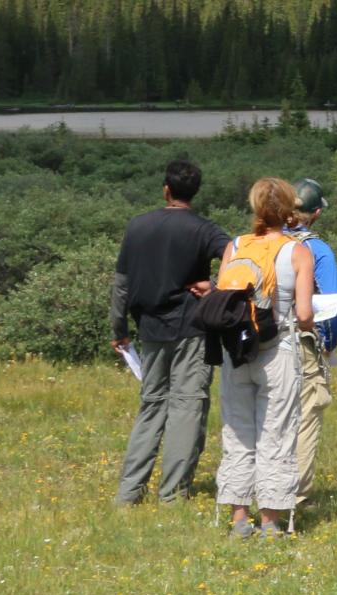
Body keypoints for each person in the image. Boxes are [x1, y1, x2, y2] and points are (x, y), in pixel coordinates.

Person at [111, 159, 230, 505]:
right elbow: (240, 257)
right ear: (195, 192)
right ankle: (173, 494)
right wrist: (216, 287)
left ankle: (129, 492)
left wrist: (119, 329)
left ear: (166, 189)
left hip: (149, 329)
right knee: (187, 407)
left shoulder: (137, 226)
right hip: (192, 329)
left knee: (151, 405)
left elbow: (121, 285)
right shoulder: (204, 229)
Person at [214, 177, 317, 538]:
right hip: (278, 352)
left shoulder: (236, 246)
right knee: (276, 434)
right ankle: (271, 522)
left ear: (255, 207)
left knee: (238, 433)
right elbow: (303, 313)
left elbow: (221, 299)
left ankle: (239, 519)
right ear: (289, 209)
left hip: (236, 352)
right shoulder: (297, 251)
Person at [285, 179, 337, 504]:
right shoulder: (316, 248)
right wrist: (329, 344)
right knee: (308, 411)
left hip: (258, 340)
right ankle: (293, 496)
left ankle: (257, 489)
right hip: (301, 339)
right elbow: (332, 307)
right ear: (316, 212)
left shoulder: (258, 240)